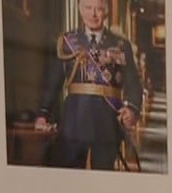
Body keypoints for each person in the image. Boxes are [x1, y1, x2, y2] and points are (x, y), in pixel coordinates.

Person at [34, 0, 145, 171]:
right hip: (74, 120)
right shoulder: (67, 42)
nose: (93, 14)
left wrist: (132, 109)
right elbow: (53, 82)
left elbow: (133, 82)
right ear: (80, 11)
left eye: (99, 9)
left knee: (103, 176)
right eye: (88, 8)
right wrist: (43, 113)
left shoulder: (122, 45)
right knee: (70, 175)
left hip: (107, 121)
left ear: (106, 13)